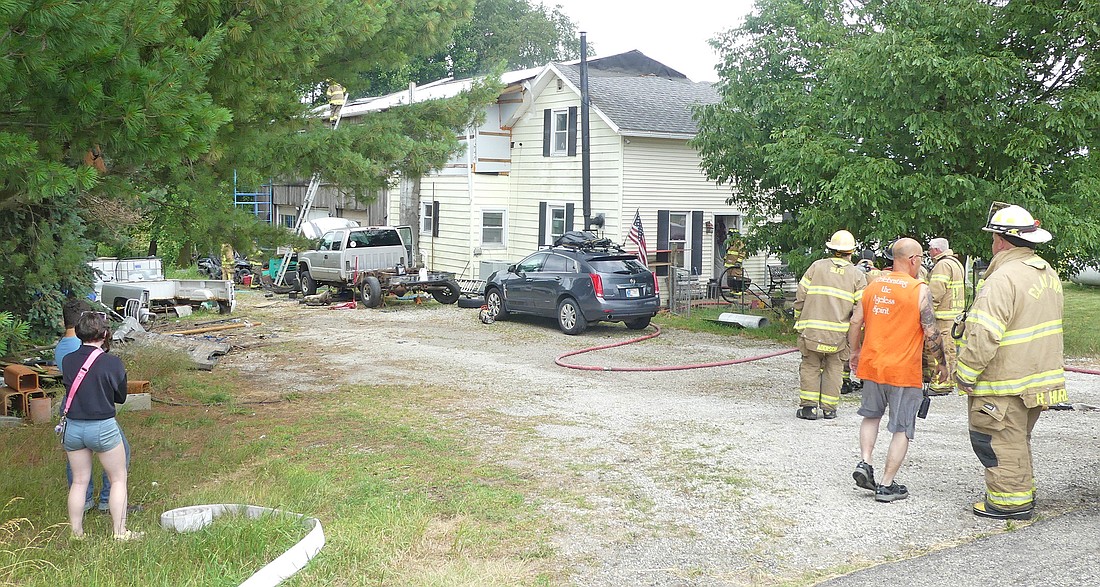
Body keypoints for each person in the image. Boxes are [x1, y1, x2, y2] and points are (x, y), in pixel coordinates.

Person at [955, 203, 1063, 520]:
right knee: (1016, 438)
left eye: (992, 238)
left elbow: (984, 336)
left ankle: (1008, 504)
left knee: (994, 440)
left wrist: (964, 374)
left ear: (1001, 241)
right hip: (1037, 379)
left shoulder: (1003, 279)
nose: (991, 245)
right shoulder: (1047, 273)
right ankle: (1022, 494)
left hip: (1004, 382)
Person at [849, 238, 947, 502]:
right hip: (904, 370)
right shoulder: (918, 289)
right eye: (921, 260)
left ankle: (865, 461)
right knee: (901, 428)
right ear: (914, 260)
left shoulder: (874, 284)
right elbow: (931, 332)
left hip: (873, 365)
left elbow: (856, 321)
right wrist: (941, 365)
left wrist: (855, 352)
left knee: (871, 417)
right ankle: (885, 484)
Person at [61, 311, 141, 540]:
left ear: (79, 334)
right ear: (105, 334)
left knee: (79, 481)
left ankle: (76, 533)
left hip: (74, 427)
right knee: (118, 479)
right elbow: (121, 397)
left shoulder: (68, 360)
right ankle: (120, 532)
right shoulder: (112, 362)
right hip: (102, 426)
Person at [793, 229, 867, 420]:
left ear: (831, 249)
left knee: (810, 366)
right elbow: (861, 308)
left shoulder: (816, 267)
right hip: (839, 335)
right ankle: (829, 409)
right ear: (851, 251)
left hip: (811, 332)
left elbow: (800, 296)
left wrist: (799, 318)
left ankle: (808, 408)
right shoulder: (857, 275)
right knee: (834, 368)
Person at [926, 237, 966, 395]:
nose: (929, 252)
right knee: (950, 351)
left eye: (930, 249)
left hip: (943, 317)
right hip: (954, 316)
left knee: (941, 350)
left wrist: (927, 312)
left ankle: (941, 384)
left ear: (936, 250)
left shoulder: (942, 265)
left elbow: (935, 292)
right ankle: (948, 381)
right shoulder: (955, 263)